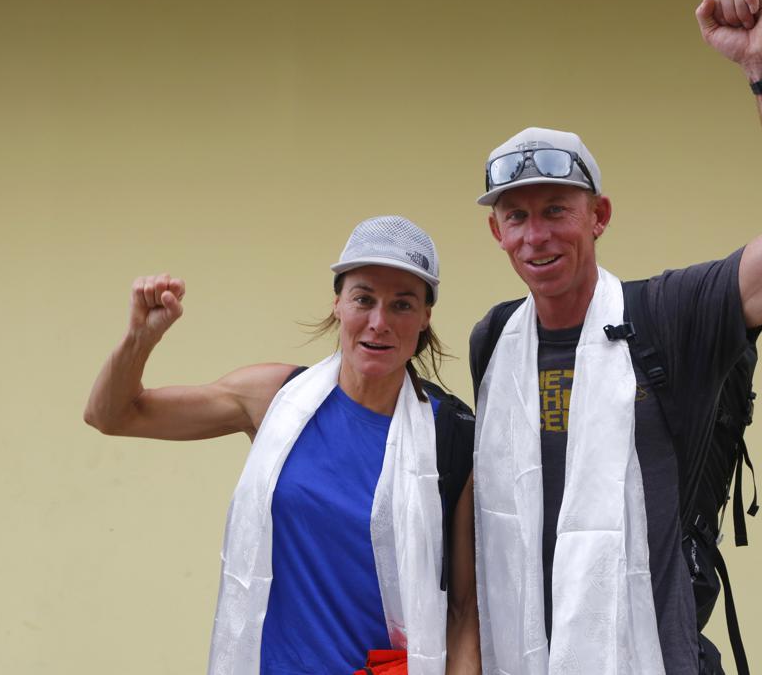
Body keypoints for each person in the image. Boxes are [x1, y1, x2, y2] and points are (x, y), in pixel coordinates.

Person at [468, 0, 762, 674]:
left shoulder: (669, 315)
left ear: (599, 216)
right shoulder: (495, 341)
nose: (535, 235)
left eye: (556, 210)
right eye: (516, 216)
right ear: (497, 232)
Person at [84, 216, 480, 675]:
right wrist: (139, 338)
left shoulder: (451, 436)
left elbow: (465, 611)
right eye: (363, 299)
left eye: (402, 305)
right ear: (338, 304)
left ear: (425, 317)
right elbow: (113, 414)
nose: (379, 322)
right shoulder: (277, 399)